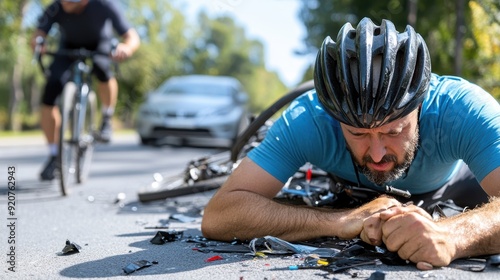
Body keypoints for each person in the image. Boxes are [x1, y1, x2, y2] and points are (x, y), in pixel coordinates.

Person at [202, 17, 500, 271]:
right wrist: (340, 220)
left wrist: (452, 235)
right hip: (355, 197)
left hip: (452, 185)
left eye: (394, 130)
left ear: (420, 106)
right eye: (357, 134)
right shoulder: (309, 119)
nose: (377, 154)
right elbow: (220, 215)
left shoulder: (462, 108)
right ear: (334, 117)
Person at [31, 0, 140, 181]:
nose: (66, 2)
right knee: (52, 87)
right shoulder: (56, 7)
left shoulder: (104, 5)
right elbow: (38, 34)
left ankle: (106, 117)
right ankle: (54, 156)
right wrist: (37, 43)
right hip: (68, 47)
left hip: (99, 44)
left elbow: (132, 37)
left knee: (102, 69)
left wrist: (126, 48)